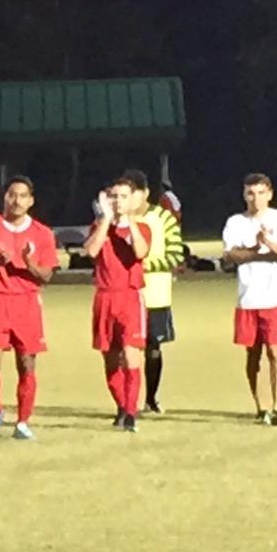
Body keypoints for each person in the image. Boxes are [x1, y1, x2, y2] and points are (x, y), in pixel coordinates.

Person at [0, 176, 58, 441]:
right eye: (12, 195)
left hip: (27, 303)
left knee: (26, 363)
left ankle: (22, 422)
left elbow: (46, 276)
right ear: (5, 198)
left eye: (23, 196)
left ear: (31, 201)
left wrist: (28, 262)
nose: (17, 200)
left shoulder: (42, 233)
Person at [84, 178, 151, 433]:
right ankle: (121, 406)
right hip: (104, 296)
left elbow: (140, 252)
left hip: (130, 296)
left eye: (123, 196)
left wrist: (128, 220)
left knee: (131, 355)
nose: (118, 201)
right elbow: (91, 251)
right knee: (110, 358)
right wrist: (105, 219)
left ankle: (131, 412)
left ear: (133, 199)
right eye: (114, 196)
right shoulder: (98, 226)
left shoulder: (141, 227)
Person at [221, 173, 277, 425]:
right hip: (248, 299)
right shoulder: (236, 222)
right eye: (250, 193)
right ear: (244, 195)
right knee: (253, 354)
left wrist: (267, 243)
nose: (256, 198)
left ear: (269, 194)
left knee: (275, 352)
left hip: (276, 298)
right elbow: (230, 255)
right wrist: (256, 251)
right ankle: (261, 406)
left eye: (260, 193)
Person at [124, 169, 184, 413]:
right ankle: (126, 401)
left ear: (145, 193)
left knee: (152, 347)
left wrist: (144, 265)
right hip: (125, 294)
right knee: (125, 350)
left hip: (155, 294)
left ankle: (150, 398)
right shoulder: (117, 219)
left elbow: (176, 255)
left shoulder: (163, 217)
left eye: (134, 192)